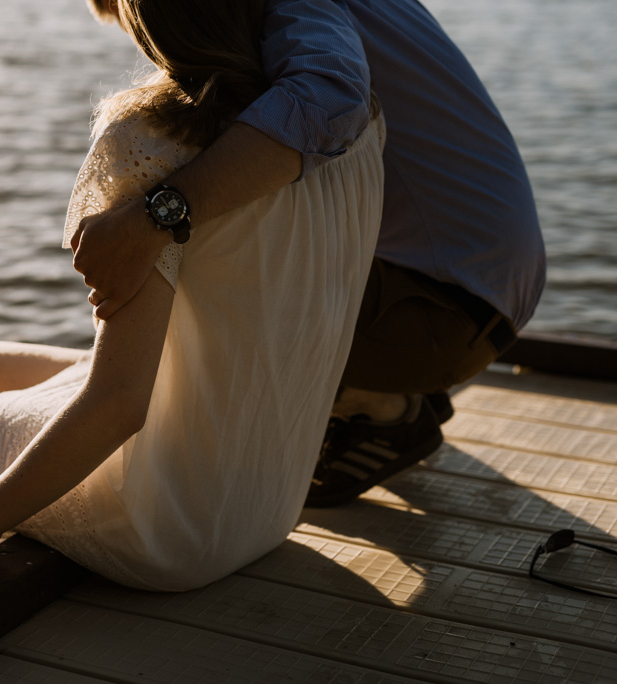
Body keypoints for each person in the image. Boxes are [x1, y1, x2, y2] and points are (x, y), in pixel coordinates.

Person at [0, 0, 385, 640]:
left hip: (178, 522)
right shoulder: (355, 123)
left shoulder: (153, 146)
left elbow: (118, 405)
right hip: (270, 493)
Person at [77, 0, 547, 507]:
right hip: (482, 283)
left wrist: (156, 217)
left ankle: (381, 404)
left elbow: (330, 98)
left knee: (200, 254)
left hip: (449, 310)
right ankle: (383, 388)